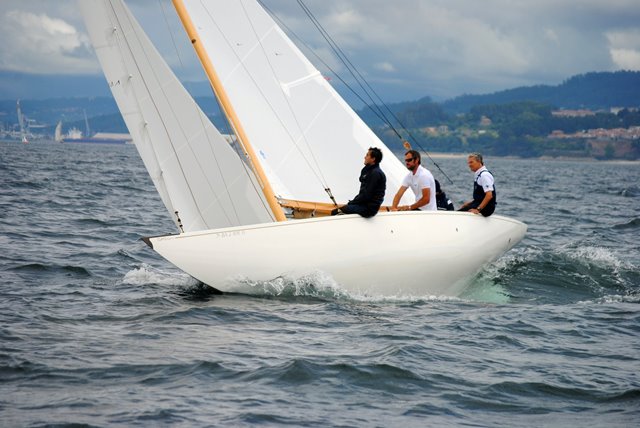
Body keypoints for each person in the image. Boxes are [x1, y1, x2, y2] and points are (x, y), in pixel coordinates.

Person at [333, 147, 386, 218]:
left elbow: (367, 195)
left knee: (335, 212)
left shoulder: (375, 173)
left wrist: (352, 203)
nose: (365, 157)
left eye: (367, 155)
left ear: (373, 159)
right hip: (364, 205)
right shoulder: (368, 170)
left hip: (369, 209)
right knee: (346, 207)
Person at [458, 152, 496, 217]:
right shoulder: (479, 174)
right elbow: (481, 196)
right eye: (468, 163)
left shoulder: (484, 175)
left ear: (479, 162)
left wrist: (478, 209)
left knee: (458, 214)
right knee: (461, 210)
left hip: (487, 208)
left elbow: (489, 195)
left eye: (471, 162)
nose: (469, 165)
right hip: (478, 204)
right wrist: (470, 203)